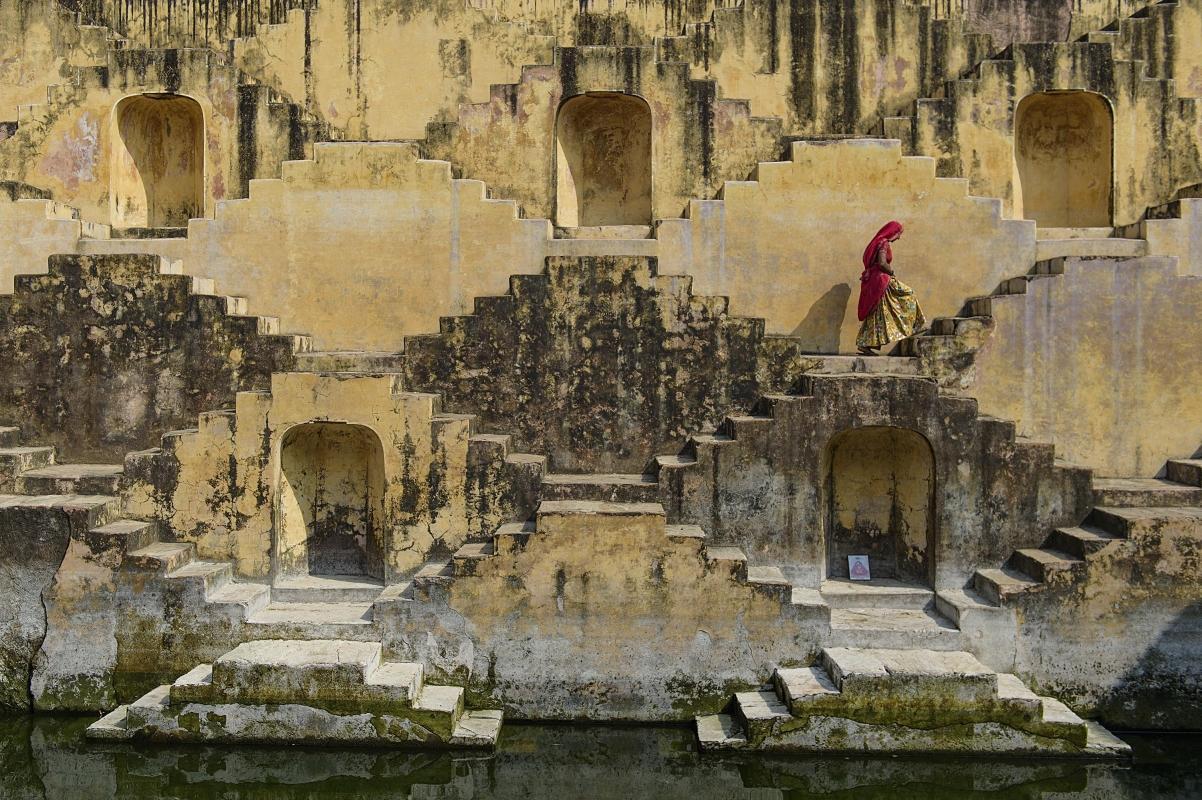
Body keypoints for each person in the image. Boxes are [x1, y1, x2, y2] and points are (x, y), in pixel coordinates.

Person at [856, 220, 926, 355]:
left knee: (877, 312)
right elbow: (882, 263)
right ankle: (914, 325)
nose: (899, 237)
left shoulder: (876, 242)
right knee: (908, 294)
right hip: (882, 280)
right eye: (899, 234)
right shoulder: (884, 243)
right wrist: (891, 272)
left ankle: (866, 343)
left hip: (874, 281)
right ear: (893, 232)